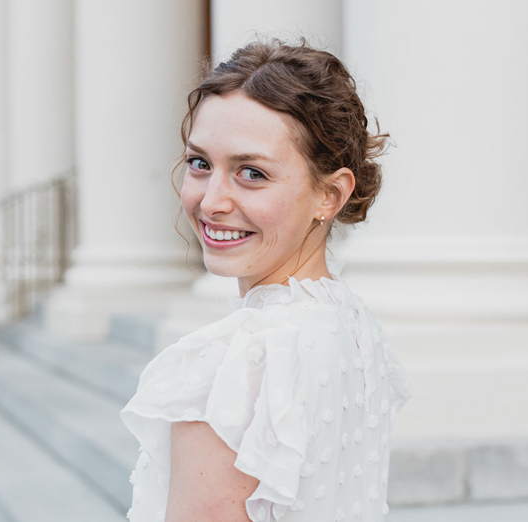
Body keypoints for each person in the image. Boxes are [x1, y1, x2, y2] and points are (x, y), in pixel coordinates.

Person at [121, 37, 411, 522]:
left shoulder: (234, 359)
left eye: (251, 172)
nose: (211, 200)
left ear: (331, 195)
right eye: (200, 163)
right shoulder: (353, 325)